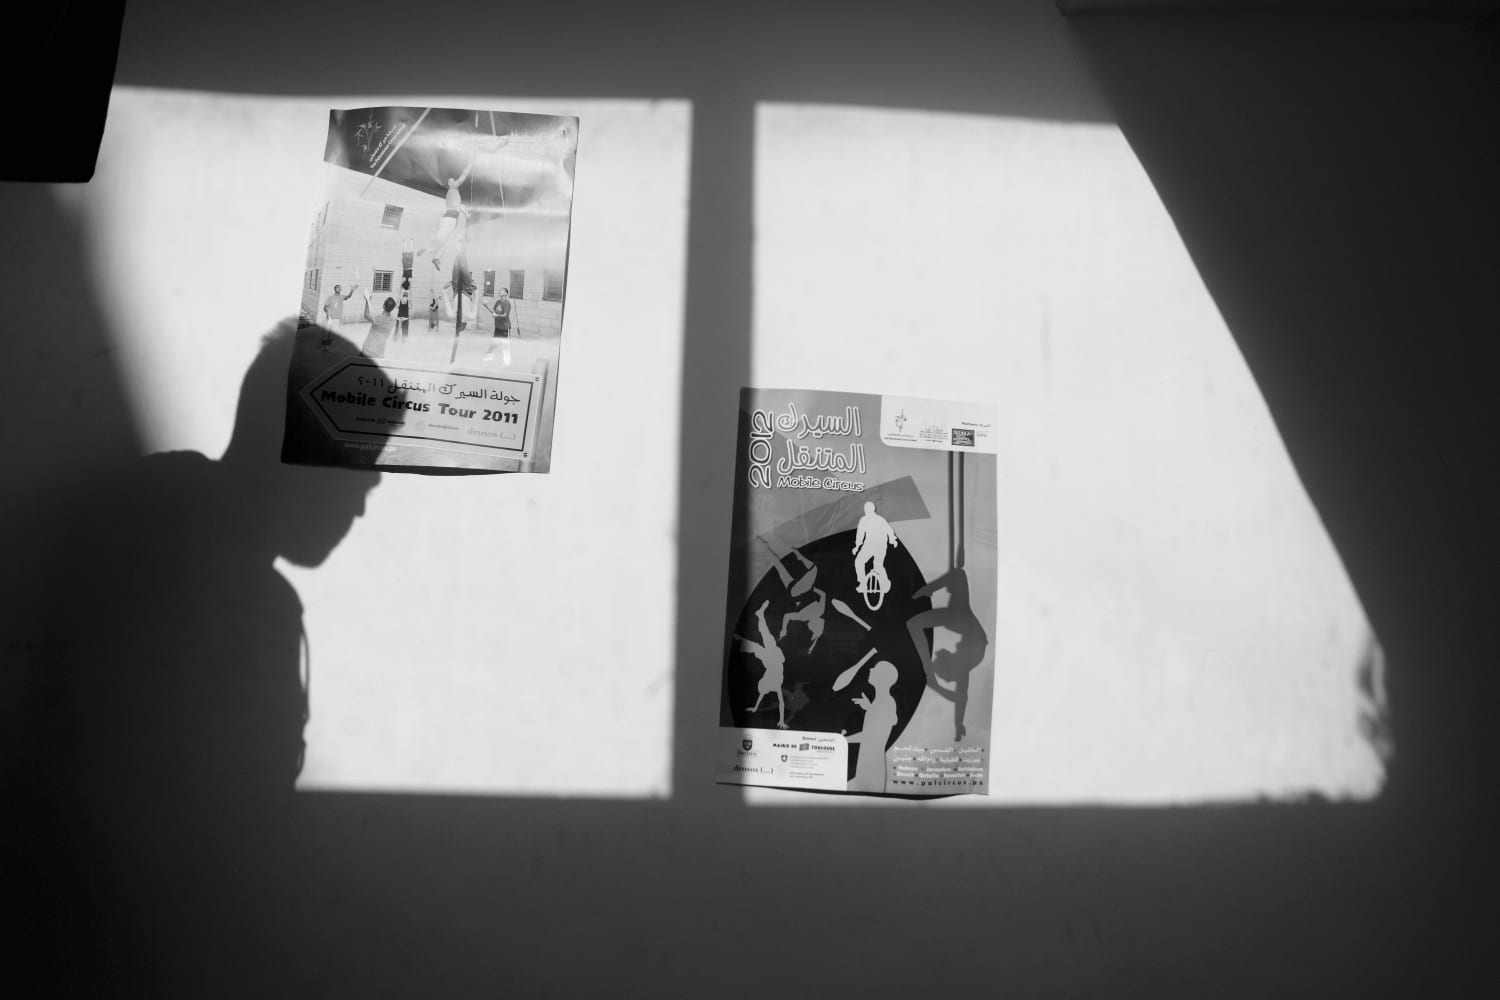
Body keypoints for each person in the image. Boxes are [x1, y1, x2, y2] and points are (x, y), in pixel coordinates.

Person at [906, 567, 989, 742]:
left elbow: (960, 699)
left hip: (970, 634)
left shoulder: (963, 668)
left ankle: (928, 590)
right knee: (914, 624)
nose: (938, 652)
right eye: (939, 658)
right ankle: (928, 590)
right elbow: (961, 698)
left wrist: (959, 724)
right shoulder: (958, 623)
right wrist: (931, 675)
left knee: (914, 624)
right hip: (967, 628)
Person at [842, 660, 899, 793]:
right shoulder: (881, 701)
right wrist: (870, 708)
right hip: (868, 763)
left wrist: (844, 740)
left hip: (871, 768)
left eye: (876, 669)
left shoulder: (885, 702)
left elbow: (872, 737)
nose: (871, 670)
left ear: (884, 678)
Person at [734, 601, 790, 729]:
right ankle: (758, 617)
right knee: (761, 641)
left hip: (770, 659)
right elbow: (780, 702)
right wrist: (781, 721)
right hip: (772, 659)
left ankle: (758, 618)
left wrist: (755, 707)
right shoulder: (775, 684)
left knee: (761, 641)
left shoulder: (772, 684)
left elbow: (762, 697)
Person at [417, 163, 474, 271]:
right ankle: (427, 248)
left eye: (453, 180)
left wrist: (466, 214)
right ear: (450, 183)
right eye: (451, 181)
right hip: (450, 217)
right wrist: (470, 164)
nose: (454, 181)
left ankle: (436, 258)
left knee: (445, 239)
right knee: (441, 236)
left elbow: (460, 206)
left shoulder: (454, 194)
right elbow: (463, 175)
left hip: (449, 218)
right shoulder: (453, 187)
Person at [853, 501, 900, 595]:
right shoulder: (871, 519)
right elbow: (860, 535)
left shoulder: (875, 520)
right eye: (866, 509)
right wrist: (857, 546)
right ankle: (864, 584)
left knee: (874, 564)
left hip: (878, 545)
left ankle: (883, 583)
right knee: (863, 562)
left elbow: (888, 530)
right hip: (873, 545)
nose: (866, 511)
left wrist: (893, 540)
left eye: (867, 509)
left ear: (871, 509)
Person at [359, 288, 398, 359]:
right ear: (392, 308)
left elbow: (366, 315)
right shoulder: (393, 320)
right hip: (379, 352)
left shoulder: (378, 318)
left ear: (383, 306)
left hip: (368, 350)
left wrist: (367, 301)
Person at [320, 280, 355, 350]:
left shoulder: (342, 297)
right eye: (337, 288)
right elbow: (325, 307)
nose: (339, 289)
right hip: (329, 318)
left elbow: (349, 296)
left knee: (332, 334)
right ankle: (323, 346)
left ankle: (327, 346)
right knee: (326, 333)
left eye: (340, 288)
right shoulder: (330, 297)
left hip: (337, 318)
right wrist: (327, 311)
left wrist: (352, 290)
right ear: (335, 289)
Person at [483, 287, 513, 364]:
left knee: (505, 345)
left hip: (505, 328)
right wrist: (486, 306)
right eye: (500, 290)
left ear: (506, 293)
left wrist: (496, 315)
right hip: (498, 328)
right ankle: (489, 357)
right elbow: (493, 312)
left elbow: (505, 315)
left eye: (502, 291)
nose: (500, 291)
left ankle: (507, 361)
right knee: (493, 343)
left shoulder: (507, 304)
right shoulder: (498, 302)